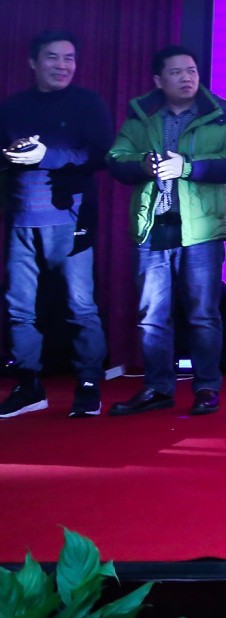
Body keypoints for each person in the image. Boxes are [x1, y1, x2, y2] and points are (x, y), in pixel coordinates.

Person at [105, 45, 226, 416]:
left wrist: (187, 166)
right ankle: (157, 388)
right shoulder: (143, 115)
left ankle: (206, 387)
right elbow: (116, 158)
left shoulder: (223, 114)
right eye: (176, 72)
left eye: (191, 71)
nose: (187, 78)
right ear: (159, 80)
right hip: (153, 225)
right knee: (152, 316)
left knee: (203, 313)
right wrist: (144, 163)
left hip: (202, 228)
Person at [0, 30, 113, 419]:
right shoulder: (12, 107)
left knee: (80, 305)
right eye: (53, 57)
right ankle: (28, 384)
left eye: (69, 58)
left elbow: (101, 155)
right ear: (33, 62)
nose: (62, 65)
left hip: (71, 219)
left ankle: (88, 384)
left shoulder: (88, 103)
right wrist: (10, 157)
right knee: (19, 308)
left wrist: (46, 155)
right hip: (21, 220)